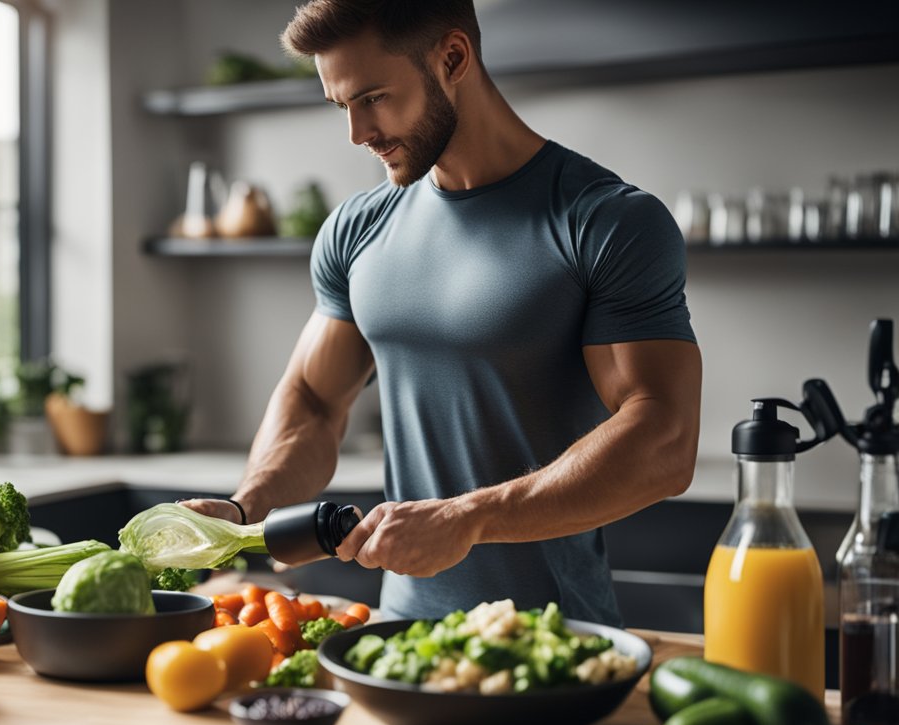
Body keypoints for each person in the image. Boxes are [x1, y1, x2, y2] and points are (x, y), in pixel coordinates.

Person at [183, 0, 701, 625]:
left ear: (453, 58)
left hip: (555, 638)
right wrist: (245, 511)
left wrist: (468, 517)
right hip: (398, 634)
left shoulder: (604, 220)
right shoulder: (356, 230)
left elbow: (663, 438)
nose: (357, 133)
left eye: (373, 97)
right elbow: (315, 402)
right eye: (341, 105)